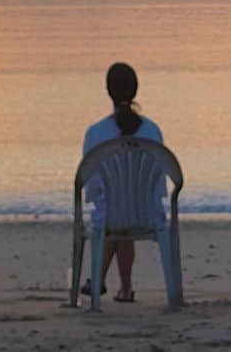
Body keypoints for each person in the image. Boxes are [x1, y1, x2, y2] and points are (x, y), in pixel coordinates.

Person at [80, 62, 164, 303]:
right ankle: (125, 288)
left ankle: (98, 281)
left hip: (111, 215)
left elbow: (91, 183)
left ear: (108, 91)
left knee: (116, 210)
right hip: (147, 212)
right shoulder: (152, 130)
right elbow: (159, 175)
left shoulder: (96, 132)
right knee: (124, 207)